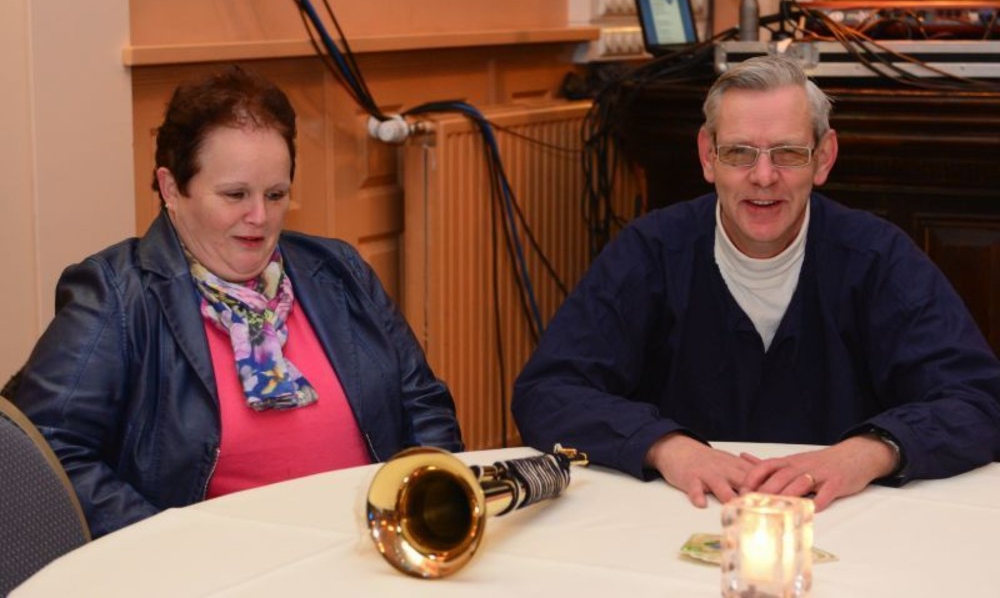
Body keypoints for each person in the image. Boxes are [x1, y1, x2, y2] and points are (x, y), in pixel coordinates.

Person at [512, 54, 1000, 512]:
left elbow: (979, 400)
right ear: (708, 157)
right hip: (677, 513)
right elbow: (548, 392)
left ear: (824, 158)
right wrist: (664, 446)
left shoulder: (878, 259)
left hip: (843, 517)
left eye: (788, 153)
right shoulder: (650, 252)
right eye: (739, 152)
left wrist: (870, 452)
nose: (763, 177)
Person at [11, 66, 463, 538]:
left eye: (276, 194)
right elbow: (45, 451)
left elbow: (423, 403)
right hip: (216, 567)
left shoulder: (338, 270)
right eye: (235, 194)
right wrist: (169, 542)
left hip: (372, 548)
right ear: (171, 188)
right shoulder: (117, 296)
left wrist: (426, 513)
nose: (260, 217)